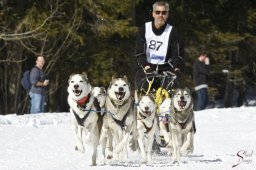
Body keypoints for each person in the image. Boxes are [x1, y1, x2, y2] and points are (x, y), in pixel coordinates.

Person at [135, 1, 185, 97]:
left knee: (169, 96)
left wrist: (177, 69)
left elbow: (178, 55)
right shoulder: (144, 29)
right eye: (158, 12)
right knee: (144, 96)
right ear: (153, 14)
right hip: (147, 67)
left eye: (164, 13)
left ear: (167, 15)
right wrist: (147, 67)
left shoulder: (173, 32)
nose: (160, 15)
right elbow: (139, 53)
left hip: (166, 68)